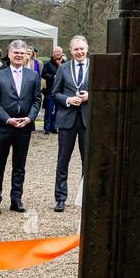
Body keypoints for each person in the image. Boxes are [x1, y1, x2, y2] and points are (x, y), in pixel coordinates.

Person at [0, 39, 42, 213]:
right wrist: (7, 119)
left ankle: (16, 200)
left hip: (24, 127)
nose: (19, 55)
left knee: (19, 166)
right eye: (15, 52)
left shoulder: (33, 75)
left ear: (26, 55)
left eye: (22, 53)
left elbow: (37, 100)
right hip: (3, 127)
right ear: (9, 54)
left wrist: (30, 118)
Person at [51, 36, 91, 212]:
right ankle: (60, 198)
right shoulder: (63, 68)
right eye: (76, 49)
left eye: (82, 49)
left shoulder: (95, 67)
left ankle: (86, 196)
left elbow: (104, 92)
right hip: (67, 119)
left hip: (87, 120)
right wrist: (68, 100)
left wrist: (90, 96)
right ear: (71, 50)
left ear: (87, 48)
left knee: (88, 161)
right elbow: (54, 93)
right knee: (63, 160)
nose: (79, 52)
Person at [41, 46, 64, 133]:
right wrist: (52, 77)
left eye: (59, 51)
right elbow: (43, 74)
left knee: (58, 110)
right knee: (49, 110)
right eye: (56, 51)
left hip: (60, 91)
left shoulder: (64, 63)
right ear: (53, 53)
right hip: (50, 90)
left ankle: (55, 127)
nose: (58, 53)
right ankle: (47, 128)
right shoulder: (48, 64)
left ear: (61, 53)